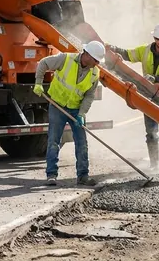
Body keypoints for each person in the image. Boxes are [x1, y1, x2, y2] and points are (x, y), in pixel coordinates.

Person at [106, 22, 159, 170]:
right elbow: (128, 54)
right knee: (151, 132)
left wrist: (155, 78)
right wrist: (113, 48)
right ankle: (154, 165)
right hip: (148, 96)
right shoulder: (145, 50)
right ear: (154, 37)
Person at [33, 40, 105, 186]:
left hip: (76, 109)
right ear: (88, 55)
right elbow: (43, 63)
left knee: (82, 143)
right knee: (54, 141)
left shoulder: (95, 73)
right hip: (57, 106)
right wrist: (38, 83)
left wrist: (82, 113)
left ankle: (83, 176)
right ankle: (51, 175)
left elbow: (89, 95)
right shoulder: (66, 59)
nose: (97, 63)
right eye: (96, 60)